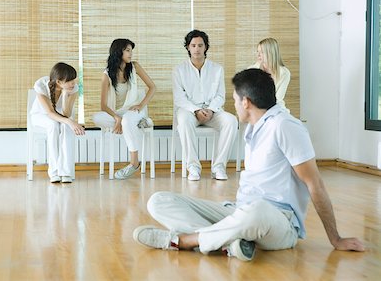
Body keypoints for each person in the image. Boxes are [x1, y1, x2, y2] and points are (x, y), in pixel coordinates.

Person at [132, 68, 365, 261]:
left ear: (246, 102)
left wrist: (335, 238)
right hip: (241, 210)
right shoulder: (253, 128)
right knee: (159, 201)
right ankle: (232, 243)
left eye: (234, 100)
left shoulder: (284, 126)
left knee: (258, 211)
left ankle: (183, 241)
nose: (233, 105)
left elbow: (315, 184)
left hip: (278, 223)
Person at [172, 29, 238, 181]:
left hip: (212, 111)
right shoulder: (179, 70)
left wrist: (210, 109)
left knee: (231, 121)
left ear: (206, 47)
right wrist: (195, 110)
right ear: (188, 47)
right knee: (183, 121)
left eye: (200, 45)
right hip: (189, 111)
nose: (197, 49)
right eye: (193, 45)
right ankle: (193, 167)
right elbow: (179, 98)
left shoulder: (217, 69)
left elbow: (220, 95)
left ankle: (219, 167)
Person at [92, 38, 156, 179]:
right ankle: (133, 124)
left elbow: (152, 87)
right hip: (119, 113)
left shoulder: (134, 67)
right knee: (96, 117)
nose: (130, 53)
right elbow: (103, 105)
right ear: (118, 51)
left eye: (131, 50)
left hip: (135, 110)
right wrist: (117, 118)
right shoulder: (107, 75)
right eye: (127, 50)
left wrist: (141, 105)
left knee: (127, 119)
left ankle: (134, 163)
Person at [30, 62, 85, 183]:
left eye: (73, 79)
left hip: (61, 115)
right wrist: (70, 122)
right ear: (59, 82)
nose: (73, 83)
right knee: (53, 125)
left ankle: (66, 172)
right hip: (41, 115)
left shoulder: (73, 88)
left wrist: (65, 95)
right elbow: (49, 112)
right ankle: (54, 171)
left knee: (66, 127)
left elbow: (66, 113)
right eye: (69, 81)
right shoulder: (41, 85)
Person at [249, 38, 291, 111]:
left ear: (271, 53)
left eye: (262, 52)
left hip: (276, 108)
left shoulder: (284, 73)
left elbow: (278, 99)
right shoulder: (251, 71)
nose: (258, 55)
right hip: (256, 109)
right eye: (257, 51)